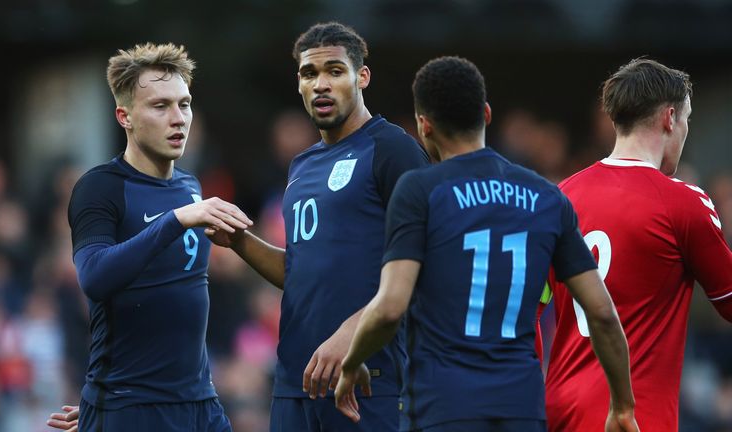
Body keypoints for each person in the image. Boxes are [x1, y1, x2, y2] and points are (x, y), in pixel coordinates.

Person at [333, 56, 639, 432]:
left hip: (442, 406)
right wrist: (623, 405)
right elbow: (603, 314)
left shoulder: (419, 190)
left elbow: (390, 308)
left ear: (423, 125)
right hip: (521, 407)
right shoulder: (547, 197)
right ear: (487, 114)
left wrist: (351, 363)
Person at [208, 22, 430, 432]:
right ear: (299, 84)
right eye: (310, 74)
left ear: (361, 76)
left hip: (365, 380)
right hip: (295, 383)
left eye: (334, 71)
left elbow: (425, 263)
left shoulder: (392, 149)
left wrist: (353, 334)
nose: (321, 84)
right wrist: (239, 241)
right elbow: (299, 271)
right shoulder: (302, 165)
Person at [47, 42, 252, 432]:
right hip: (132, 405)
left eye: (184, 104)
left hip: (200, 404)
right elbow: (94, 277)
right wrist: (175, 219)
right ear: (124, 116)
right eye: (160, 106)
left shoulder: (191, 185)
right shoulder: (100, 187)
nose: (178, 119)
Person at [545, 58, 732, 431]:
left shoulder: (561, 197)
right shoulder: (683, 202)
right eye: (687, 120)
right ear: (669, 119)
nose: (685, 131)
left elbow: (534, 308)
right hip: (635, 417)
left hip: (560, 411)